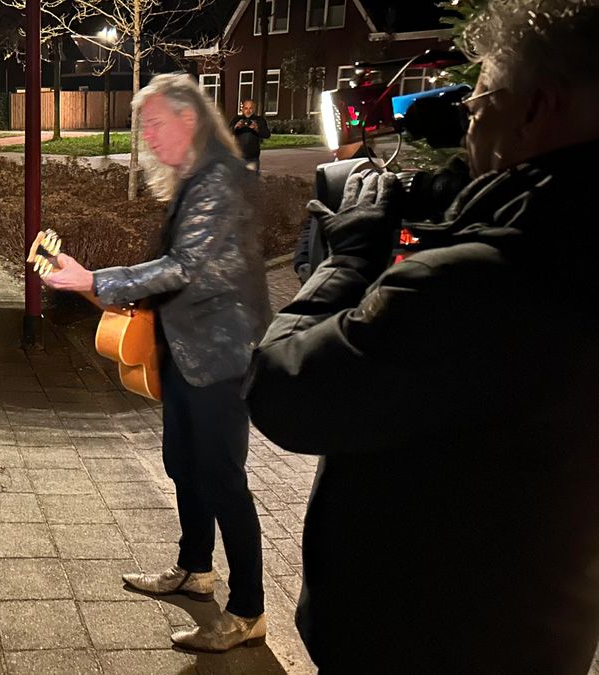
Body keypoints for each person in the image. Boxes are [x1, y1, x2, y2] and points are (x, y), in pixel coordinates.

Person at [244, 1, 599, 671]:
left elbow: (284, 388)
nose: (468, 117)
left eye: (482, 99)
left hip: (415, 642)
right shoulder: (568, 244)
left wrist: (346, 262)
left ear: (536, 109)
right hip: (535, 633)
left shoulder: (483, 285)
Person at [41, 73, 271, 653]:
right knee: (184, 466)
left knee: (223, 482)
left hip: (219, 359)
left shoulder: (220, 179)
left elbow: (185, 266)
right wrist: (109, 287)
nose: (144, 135)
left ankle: (249, 612)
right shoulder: (194, 179)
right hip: (188, 353)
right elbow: (172, 266)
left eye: (153, 123)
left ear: (187, 120)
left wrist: (96, 279)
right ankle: (195, 570)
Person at [293, 141, 374, 282]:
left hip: (350, 278)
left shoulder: (374, 173)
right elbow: (312, 221)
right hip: (316, 269)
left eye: (342, 141)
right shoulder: (329, 171)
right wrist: (302, 260)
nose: (334, 146)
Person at [229, 99, 271, 172]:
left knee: (252, 181)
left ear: (254, 109)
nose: (248, 111)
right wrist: (235, 127)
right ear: (242, 109)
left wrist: (257, 129)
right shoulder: (236, 119)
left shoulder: (259, 120)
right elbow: (226, 133)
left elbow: (267, 135)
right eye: (246, 108)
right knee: (237, 181)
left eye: (250, 108)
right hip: (238, 157)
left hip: (252, 158)